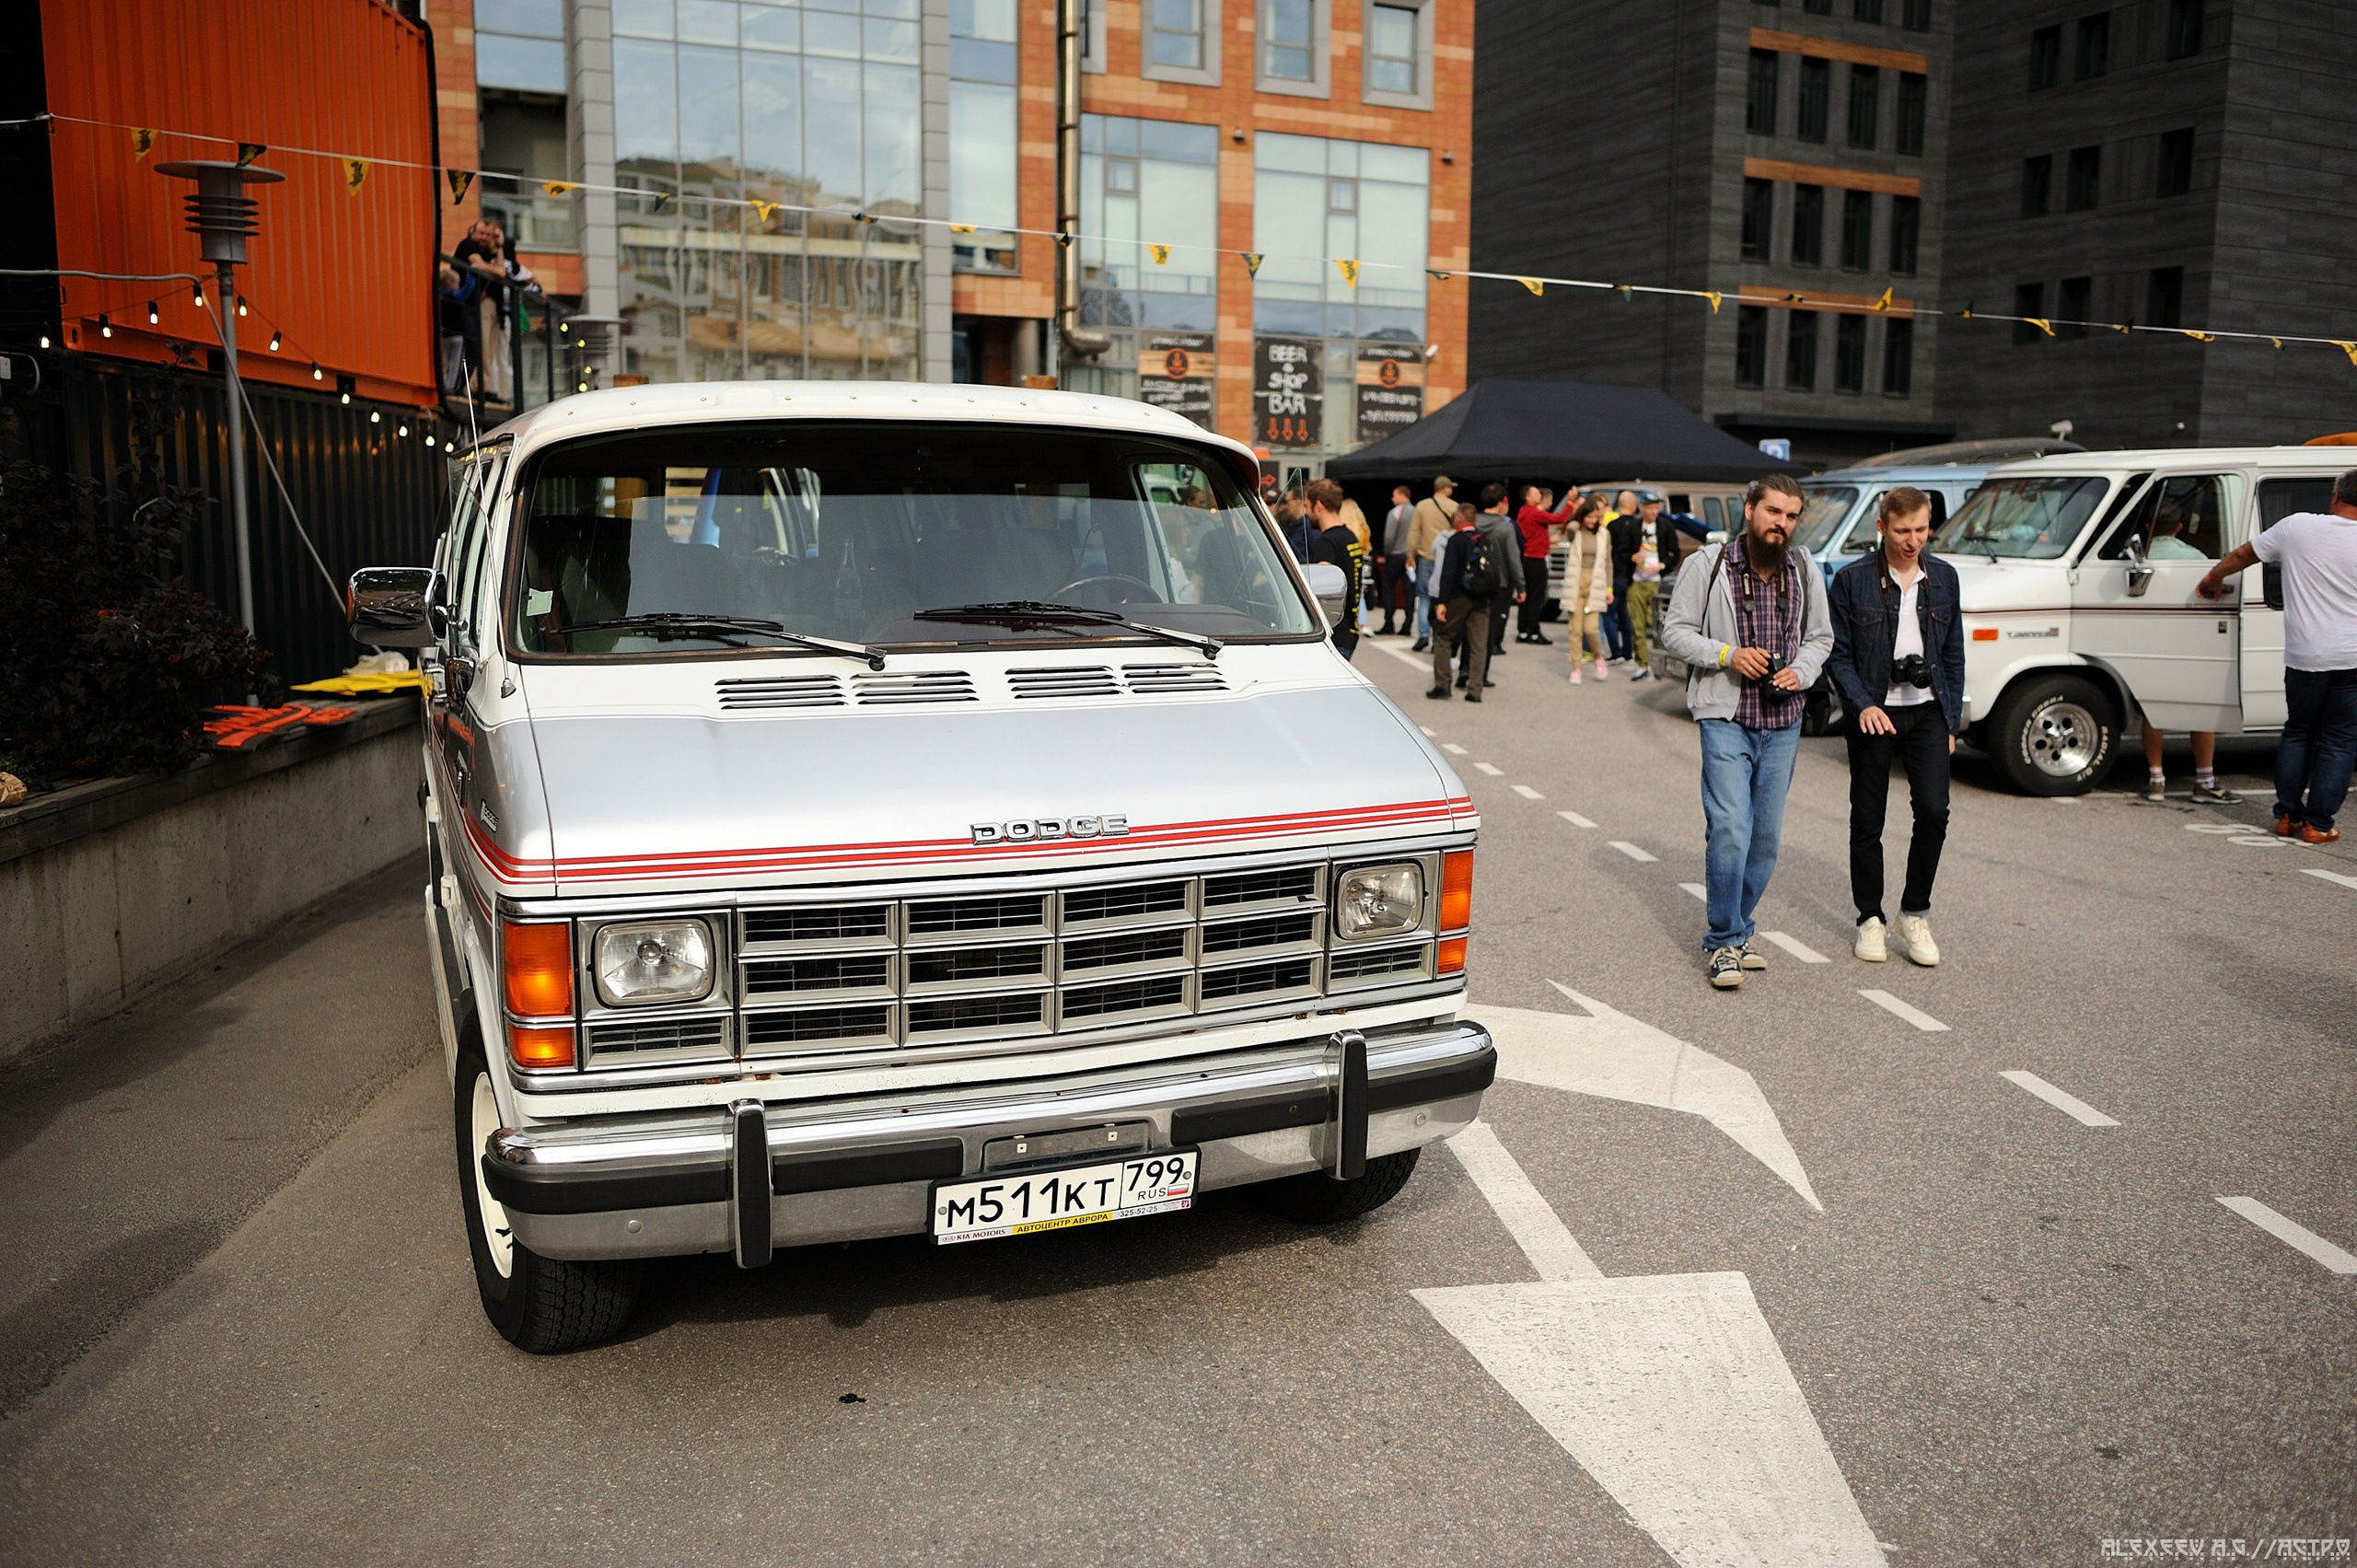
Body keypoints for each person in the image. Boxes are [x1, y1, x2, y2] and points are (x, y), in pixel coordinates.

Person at [1658, 474, 1833, 989]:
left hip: (1783, 719)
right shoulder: (1708, 564)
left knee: (1766, 839)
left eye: (1791, 516)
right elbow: (1675, 632)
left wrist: (1800, 671)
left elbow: (1820, 638)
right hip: (1725, 714)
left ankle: (1738, 929)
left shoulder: (1805, 569)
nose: (1781, 524)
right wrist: (1727, 655)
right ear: (1750, 510)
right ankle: (1723, 942)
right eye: (1773, 512)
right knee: (1731, 827)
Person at [1825, 486, 1965, 967]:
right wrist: (1862, 704)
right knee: (1868, 818)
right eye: (1902, 530)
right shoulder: (1852, 580)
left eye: (1921, 530)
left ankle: (1914, 912)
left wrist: (1952, 720)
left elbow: (1952, 654)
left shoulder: (1944, 578)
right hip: (1874, 710)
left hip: (1927, 709)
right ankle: (1870, 918)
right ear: (1881, 527)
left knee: (1933, 812)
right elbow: (1838, 654)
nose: (1912, 541)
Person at [2197, 467, 2357, 845]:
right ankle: (2319, 824)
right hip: (2352, 658)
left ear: (2335, 496)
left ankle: (2286, 816)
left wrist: (2212, 578)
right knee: (2339, 741)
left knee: (2298, 733)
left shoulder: (2297, 527)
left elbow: (2242, 554)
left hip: (2304, 656)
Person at [2136, 499, 2242, 804]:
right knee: (2201, 712)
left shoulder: (2134, 558)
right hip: (2189, 642)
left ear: (2147, 528)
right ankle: (2205, 779)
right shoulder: (2195, 557)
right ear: (2180, 528)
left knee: (2153, 712)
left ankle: (2156, 779)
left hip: (2152, 642)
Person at [1429, 496, 1503, 703]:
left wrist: (1442, 602)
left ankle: (1442, 685)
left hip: (1459, 596)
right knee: (1479, 644)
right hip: (1482, 597)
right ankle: (1475, 689)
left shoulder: (1456, 541)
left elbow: (1448, 572)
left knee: (1444, 638)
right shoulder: (1484, 539)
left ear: (1458, 519)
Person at [1469, 482, 1527, 675]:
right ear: (1503, 502)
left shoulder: (1473, 523)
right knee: (1489, 630)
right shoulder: (1506, 527)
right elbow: (1513, 559)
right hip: (1498, 585)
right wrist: (1521, 586)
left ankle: (1465, 669)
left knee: (1470, 628)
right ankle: (1481, 674)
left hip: (1472, 582)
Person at [1304, 479, 1364, 660]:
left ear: (1319, 505)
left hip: (1334, 636)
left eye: (1307, 506)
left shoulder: (1326, 543)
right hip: (1349, 631)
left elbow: (1321, 592)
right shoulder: (1349, 536)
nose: (1305, 513)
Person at [1623, 497, 1680, 680]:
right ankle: (1642, 663)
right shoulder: (1633, 526)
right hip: (1637, 581)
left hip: (1657, 581)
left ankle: (1656, 664)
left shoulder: (1665, 527)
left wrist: (1662, 566)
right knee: (1637, 624)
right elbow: (1621, 551)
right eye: (1651, 508)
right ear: (1642, 508)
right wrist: (1632, 558)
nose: (1654, 511)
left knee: (1656, 623)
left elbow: (1675, 553)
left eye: (1657, 508)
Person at [1515, 483, 1575, 644]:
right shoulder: (1535, 513)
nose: (1539, 496)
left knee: (1525, 595)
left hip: (1526, 557)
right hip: (1536, 559)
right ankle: (1534, 632)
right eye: (1536, 494)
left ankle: (1522, 631)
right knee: (1536, 597)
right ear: (1528, 497)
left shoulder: (1523, 512)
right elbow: (1560, 518)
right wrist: (1570, 502)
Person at [1562, 499, 1613, 683]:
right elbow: (1570, 526)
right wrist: (1576, 512)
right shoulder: (1575, 532)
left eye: (1595, 517)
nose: (1592, 521)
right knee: (1575, 629)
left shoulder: (1604, 534)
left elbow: (1608, 562)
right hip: (1576, 581)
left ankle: (1598, 657)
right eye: (1589, 517)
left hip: (1595, 581)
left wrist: (1609, 587)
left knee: (1591, 629)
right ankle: (1576, 668)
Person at [1407, 476, 1460, 652]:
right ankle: (1438, 637)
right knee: (1442, 597)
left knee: (1423, 596)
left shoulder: (1422, 505)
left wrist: (1410, 555)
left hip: (1426, 556)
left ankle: (1423, 634)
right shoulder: (1454, 506)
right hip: (1446, 558)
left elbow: (1414, 531)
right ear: (1445, 489)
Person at [1604, 489, 1643, 662]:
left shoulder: (1611, 526)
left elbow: (1608, 551)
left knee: (1608, 615)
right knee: (1625, 616)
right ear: (1634, 506)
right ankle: (1628, 651)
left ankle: (1616, 651)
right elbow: (1638, 551)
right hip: (1630, 577)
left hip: (1613, 575)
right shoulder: (1637, 525)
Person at [1376, 483, 1415, 635]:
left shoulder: (1395, 513)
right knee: (1409, 591)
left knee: (1387, 587)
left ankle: (1388, 623)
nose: (1392, 499)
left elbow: (1389, 537)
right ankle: (1407, 625)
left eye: (1394, 495)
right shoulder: (1416, 512)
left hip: (1395, 555)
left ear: (1401, 495)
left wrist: (1387, 553)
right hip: (1411, 556)